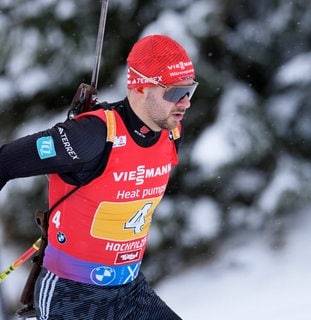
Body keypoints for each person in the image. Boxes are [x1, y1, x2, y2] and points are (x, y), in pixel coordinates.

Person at [0, 34, 198, 319]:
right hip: (71, 295)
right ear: (141, 86)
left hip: (129, 290)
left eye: (189, 91)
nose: (185, 103)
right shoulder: (91, 136)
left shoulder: (171, 132)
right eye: (175, 93)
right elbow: (5, 162)